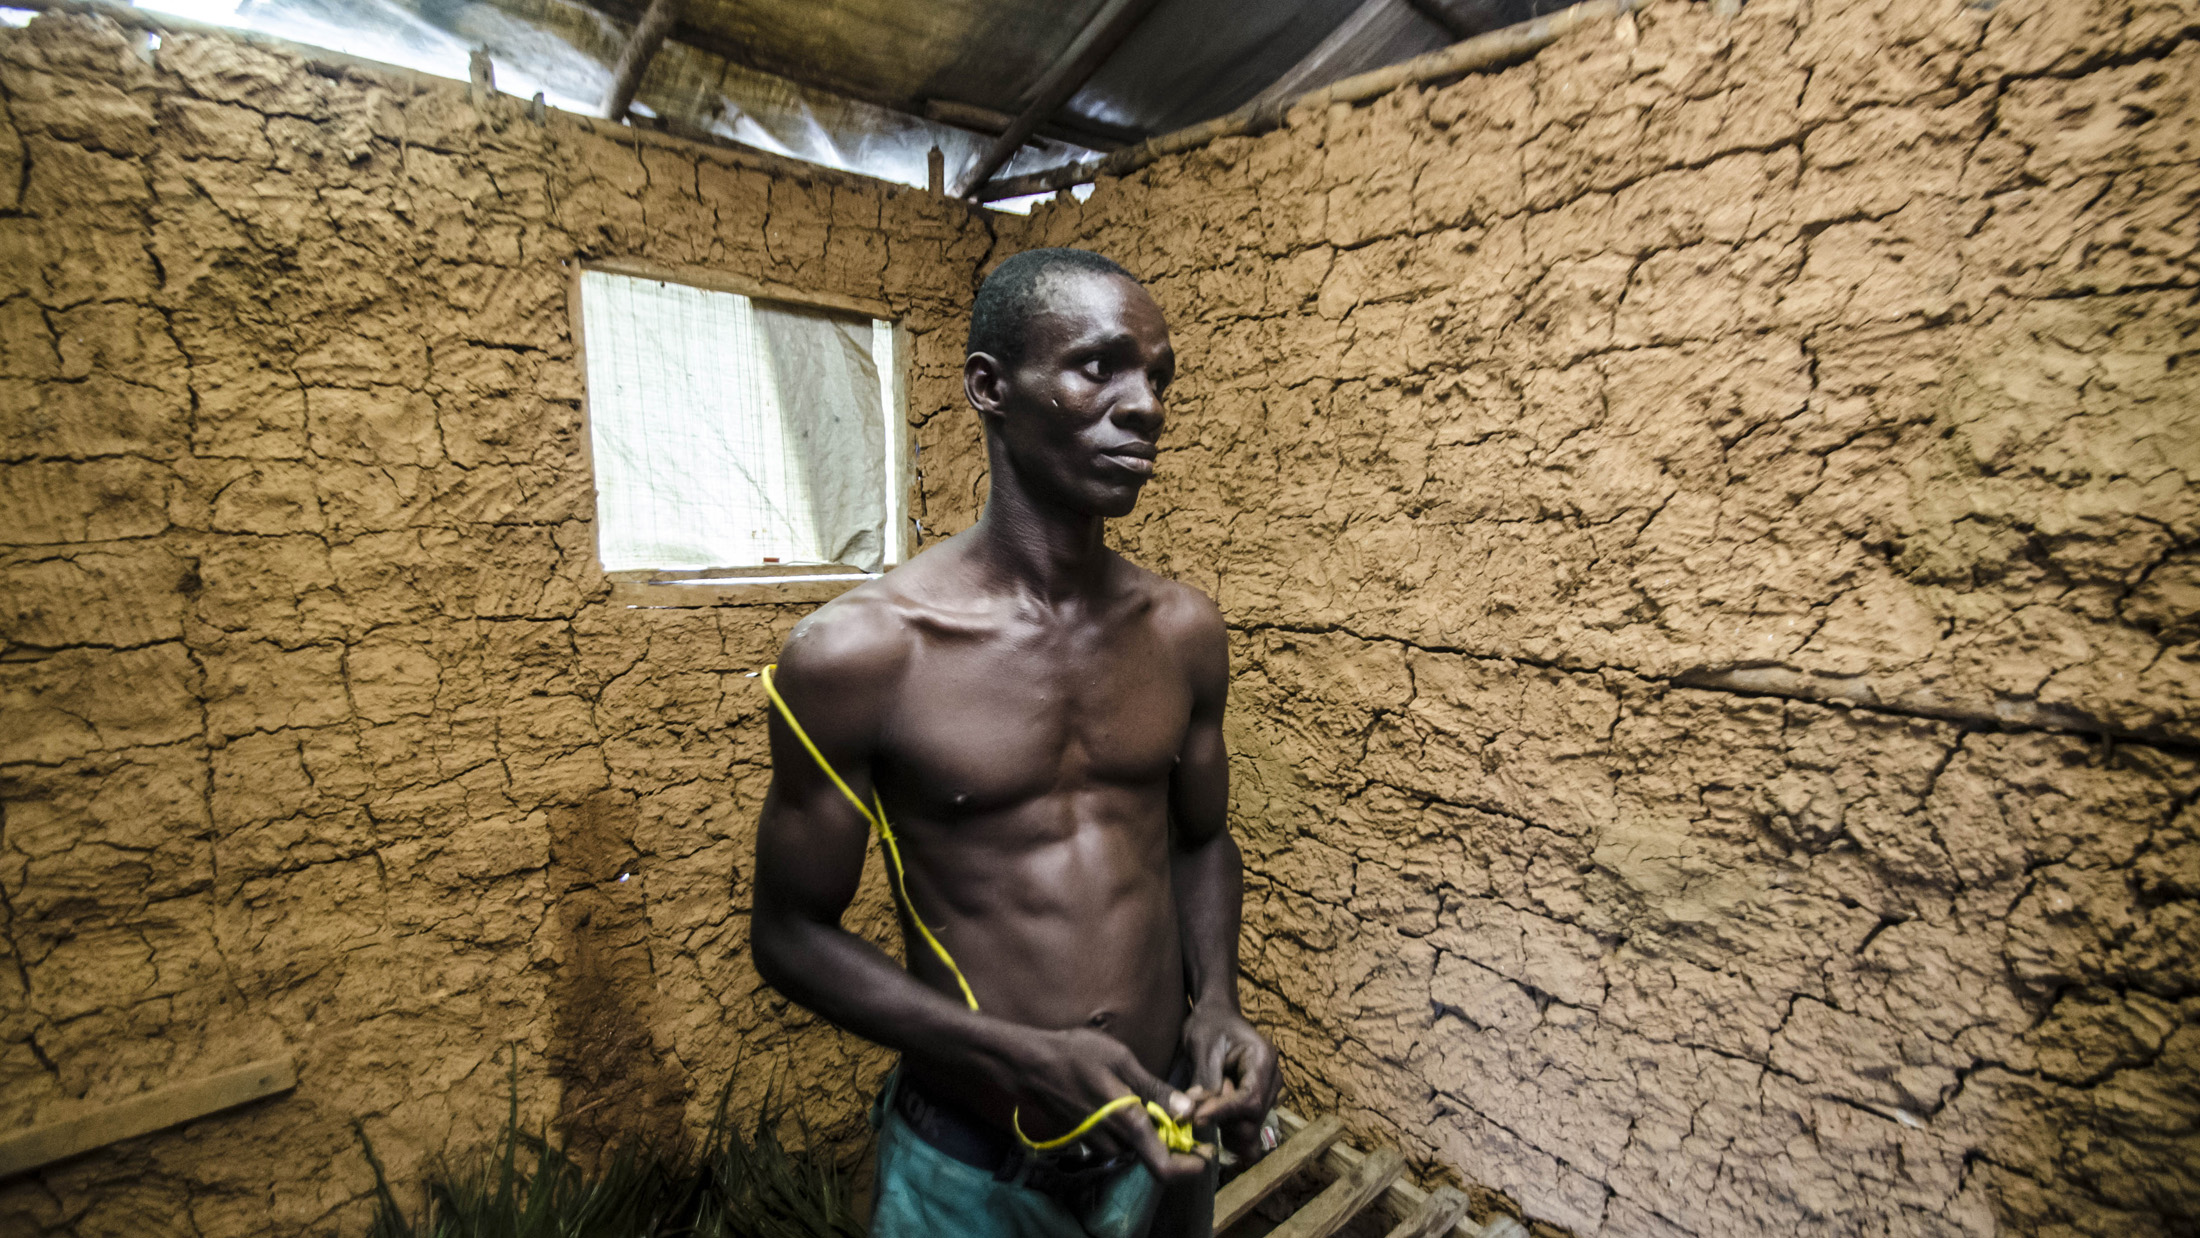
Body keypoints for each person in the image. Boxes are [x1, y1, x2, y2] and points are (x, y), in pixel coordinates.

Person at [749, 248, 1280, 1238]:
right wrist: (1013, 1053)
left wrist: (1217, 1005)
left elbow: (1201, 840)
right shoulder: (861, 655)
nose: (1146, 405)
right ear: (989, 387)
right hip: (971, 1173)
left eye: (1158, 376)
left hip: (1167, 1137)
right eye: (1099, 367)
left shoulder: (1182, 633)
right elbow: (788, 935)